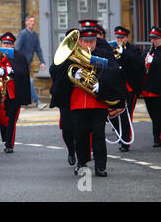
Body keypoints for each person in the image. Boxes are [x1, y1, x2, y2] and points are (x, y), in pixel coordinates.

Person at [50, 27, 127, 177]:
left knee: (98, 134)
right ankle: (82, 162)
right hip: (78, 100)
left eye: (92, 41)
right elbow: (57, 73)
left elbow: (114, 72)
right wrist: (73, 73)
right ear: (79, 41)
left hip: (97, 101)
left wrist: (101, 83)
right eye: (86, 41)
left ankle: (100, 167)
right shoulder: (71, 56)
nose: (89, 45)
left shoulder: (103, 54)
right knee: (80, 134)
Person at [109, 26, 145, 152]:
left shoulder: (133, 50)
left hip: (129, 88)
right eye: (117, 37)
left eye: (122, 38)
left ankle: (125, 142)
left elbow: (138, 65)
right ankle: (120, 134)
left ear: (127, 38)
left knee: (126, 115)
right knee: (112, 115)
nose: (119, 40)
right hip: (116, 88)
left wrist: (123, 53)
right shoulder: (112, 50)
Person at [0, 32, 31, 153]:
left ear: (13, 45)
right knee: (1, 118)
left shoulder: (19, 56)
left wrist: (12, 70)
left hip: (13, 91)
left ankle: (9, 144)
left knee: (11, 119)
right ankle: (5, 139)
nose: (6, 45)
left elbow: (23, 73)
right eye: (4, 43)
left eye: (9, 44)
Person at [49, 28, 78, 166]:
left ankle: (83, 152)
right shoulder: (62, 56)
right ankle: (71, 151)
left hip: (80, 94)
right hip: (65, 97)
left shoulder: (85, 53)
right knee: (66, 128)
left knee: (81, 127)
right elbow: (52, 70)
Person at [15, 15, 47, 110]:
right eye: (30, 21)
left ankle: (20, 103)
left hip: (27, 64)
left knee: (23, 83)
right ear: (26, 22)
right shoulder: (23, 34)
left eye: (33, 21)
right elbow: (17, 48)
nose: (32, 23)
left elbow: (38, 49)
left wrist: (42, 61)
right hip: (21, 63)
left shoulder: (34, 35)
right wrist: (18, 61)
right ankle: (38, 102)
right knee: (30, 81)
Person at [141, 26, 161, 148]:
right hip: (147, 88)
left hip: (158, 88)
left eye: (156, 38)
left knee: (158, 114)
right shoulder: (148, 50)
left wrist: (153, 61)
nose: (153, 41)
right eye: (152, 38)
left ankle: (157, 138)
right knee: (152, 114)